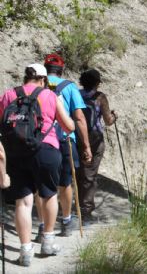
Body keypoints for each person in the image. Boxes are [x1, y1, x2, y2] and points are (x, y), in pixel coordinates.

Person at [0, 64, 75, 266]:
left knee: (23, 202)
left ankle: (25, 252)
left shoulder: (9, 94)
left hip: (16, 152)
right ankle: (47, 242)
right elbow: (69, 126)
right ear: (42, 80)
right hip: (46, 149)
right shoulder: (50, 96)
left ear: (25, 78)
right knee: (48, 194)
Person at [41, 53, 91, 237]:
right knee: (65, 183)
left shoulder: (39, 86)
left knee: (43, 184)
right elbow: (78, 117)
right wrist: (86, 146)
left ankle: (43, 224)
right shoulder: (69, 87)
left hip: (42, 141)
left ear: (45, 69)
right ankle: (66, 220)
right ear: (62, 70)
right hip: (65, 139)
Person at [77, 69, 117, 223]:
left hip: (77, 136)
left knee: (79, 171)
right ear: (97, 83)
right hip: (94, 138)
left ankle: (76, 207)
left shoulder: (76, 93)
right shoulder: (100, 97)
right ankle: (85, 211)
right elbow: (108, 121)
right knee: (90, 174)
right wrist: (114, 116)